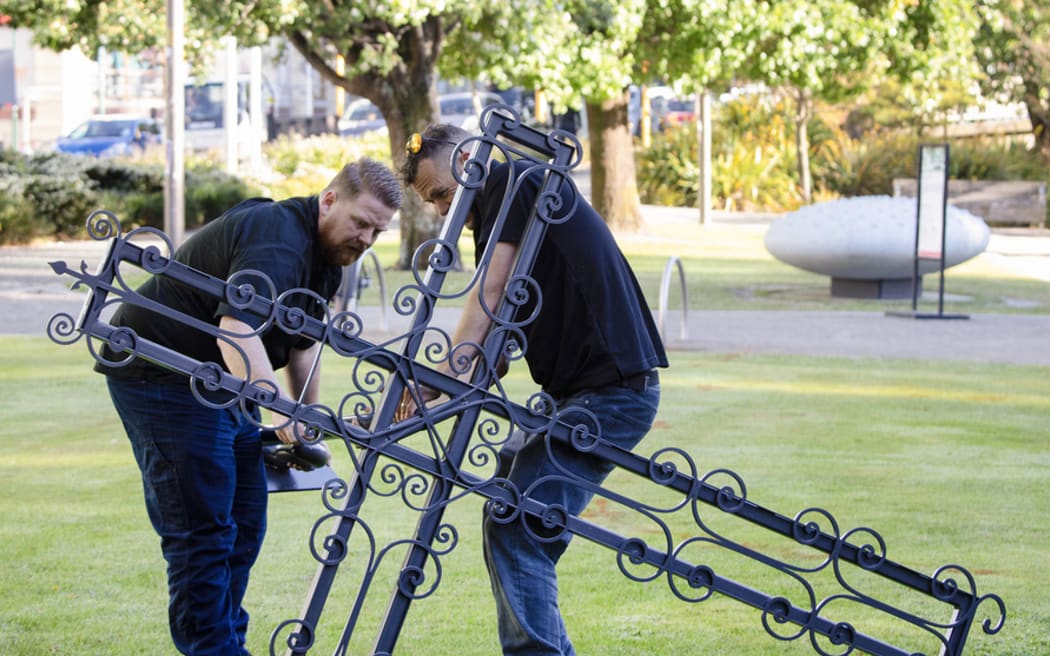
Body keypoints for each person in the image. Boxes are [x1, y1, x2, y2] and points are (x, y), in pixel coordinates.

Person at [95, 157, 402, 656]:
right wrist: (282, 413)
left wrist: (305, 421)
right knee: (203, 530)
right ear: (328, 200)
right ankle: (215, 648)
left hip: (222, 382)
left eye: (378, 231)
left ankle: (226, 642)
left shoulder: (329, 260)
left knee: (244, 523)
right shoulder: (277, 237)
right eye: (361, 223)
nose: (366, 239)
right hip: (163, 373)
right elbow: (236, 329)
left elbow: (303, 345)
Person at [398, 125, 668, 655]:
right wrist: (439, 385)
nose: (442, 211)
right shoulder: (504, 207)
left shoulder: (515, 181)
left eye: (443, 194)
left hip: (610, 395)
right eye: (432, 203)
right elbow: (496, 343)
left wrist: (444, 372)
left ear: (470, 159)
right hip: (583, 396)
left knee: (517, 526)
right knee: (511, 518)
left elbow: (491, 293)